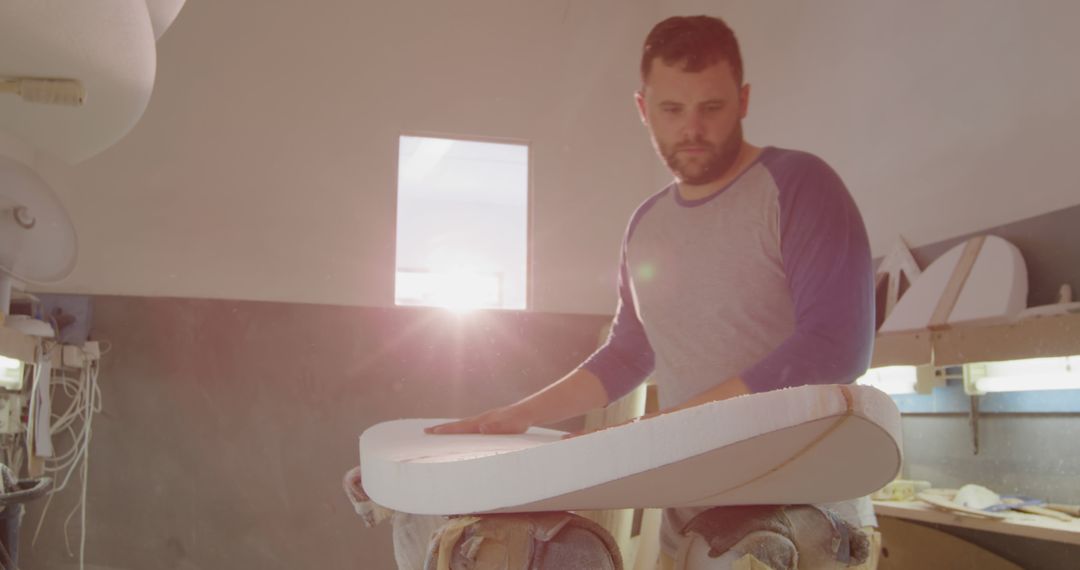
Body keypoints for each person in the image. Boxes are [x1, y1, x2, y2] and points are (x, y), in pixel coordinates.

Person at [427, 15, 877, 569]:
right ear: (643, 108)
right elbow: (630, 353)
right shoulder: (647, 224)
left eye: (711, 107)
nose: (692, 129)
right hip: (692, 518)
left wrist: (669, 427)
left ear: (743, 99)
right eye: (672, 110)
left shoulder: (800, 186)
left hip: (801, 521)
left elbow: (836, 346)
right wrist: (515, 415)